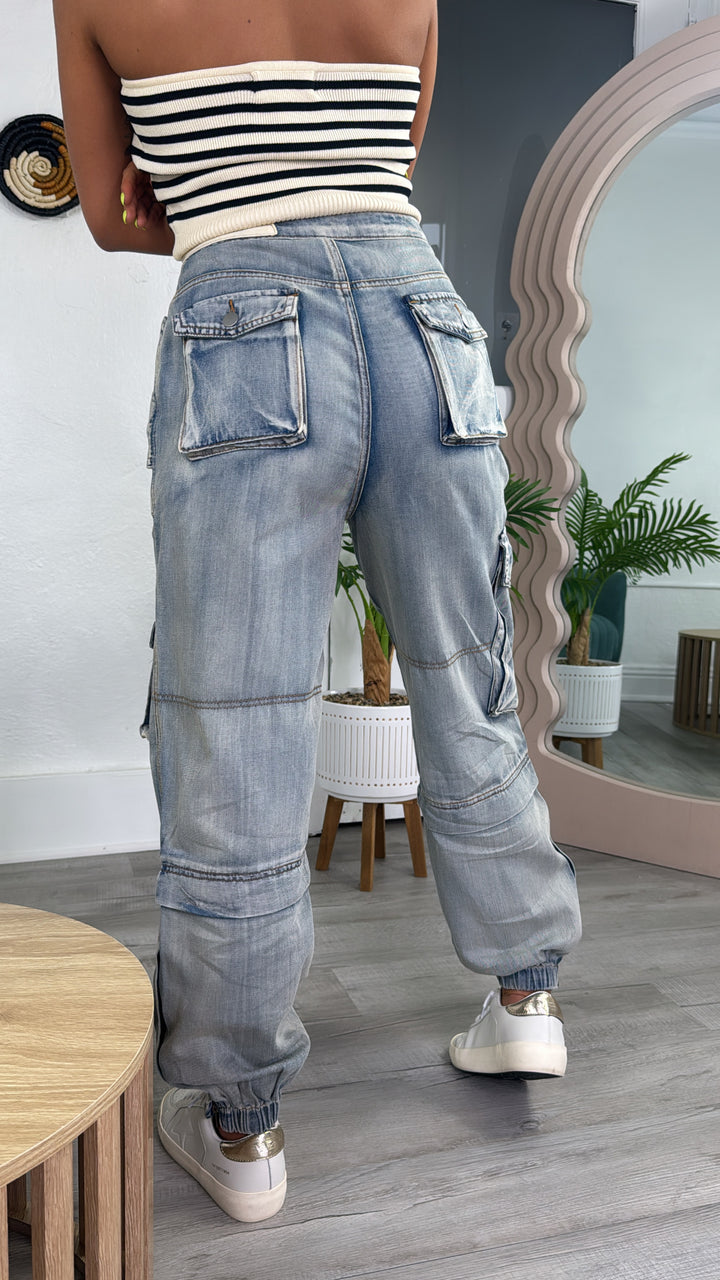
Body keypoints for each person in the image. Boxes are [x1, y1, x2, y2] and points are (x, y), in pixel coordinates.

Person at [52, 0, 582, 1224]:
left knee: (236, 724)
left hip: (241, 311)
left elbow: (112, 214)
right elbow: (384, 166)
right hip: (420, 317)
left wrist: (214, 198)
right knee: (465, 670)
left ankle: (242, 1123)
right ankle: (526, 995)